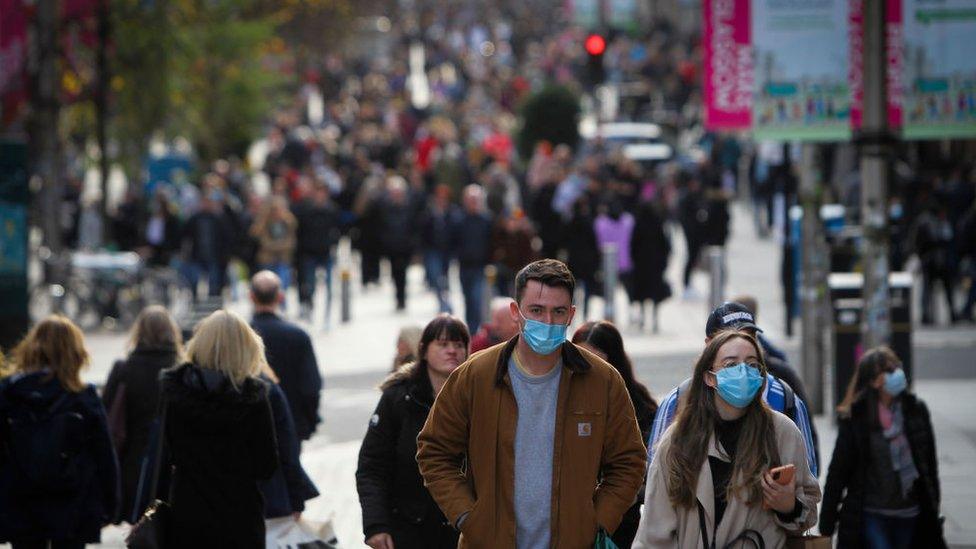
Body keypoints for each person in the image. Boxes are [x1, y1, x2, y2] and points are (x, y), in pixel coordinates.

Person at [417, 259, 647, 549]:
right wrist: (468, 516)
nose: (548, 322)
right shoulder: (475, 375)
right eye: (536, 310)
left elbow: (629, 461)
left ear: (571, 314)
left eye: (558, 311)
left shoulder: (602, 380)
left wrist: (595, 522)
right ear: (516, 312)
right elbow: (434, 451)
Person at [632, 330, 821, 548]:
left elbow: (808, 511)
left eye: (752, 365)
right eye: (731, 365)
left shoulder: (782, 432)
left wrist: (789, 506)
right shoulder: (678, 440)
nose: (743, 372)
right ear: (709, 377)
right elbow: (653, 533)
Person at [647, 302, 820, 477]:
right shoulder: (678, 400)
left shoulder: (784, 398)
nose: (740, 345)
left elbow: (807, 473)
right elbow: (656, 474)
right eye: (729, 339)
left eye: (749, 337)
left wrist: (788, 501)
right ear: (709, 345)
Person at [159, 310, 278, 547]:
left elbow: (163, 453)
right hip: (240, 516)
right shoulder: (253, 397)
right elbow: (266, 465)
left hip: (188, 512)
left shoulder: (174, 392)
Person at [0, 316, 120, 548]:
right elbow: (104, 454)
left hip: (21, 503)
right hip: (72, 505)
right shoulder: (83, 398)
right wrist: (110, 504)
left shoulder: (9, 394)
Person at [357, 315, 471, 549]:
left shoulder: (477, 394)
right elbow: (372, 466)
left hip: (463, 526)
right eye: (443, 344)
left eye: (459, 345)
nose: (452, 351)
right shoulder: (398, 398)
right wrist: (376, 525)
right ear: (424, 350)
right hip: (410, 527)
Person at [820, 347, 946, 549]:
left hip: (911, 512)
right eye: (888, 370)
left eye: (896, 367)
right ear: (873, 381)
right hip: (873, 514)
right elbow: (838, 473)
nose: (896, 373)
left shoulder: (915, 410)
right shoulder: (857, 418)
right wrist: (826, 523)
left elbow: (929, 466)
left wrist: (933, 506)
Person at [572, 321, 657, 549]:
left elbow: (642, 471)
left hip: (622, 523)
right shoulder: (563, 400)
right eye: (581, 358)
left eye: (597, 359)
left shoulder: (640, 408)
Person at [101, 306, 182, 523]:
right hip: (171, 466)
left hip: (131, 463)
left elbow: (105, 412)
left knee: (138, 529)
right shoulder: (181, 370)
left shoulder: (124, 369)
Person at [250, 270, 323, 442]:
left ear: (251, 297)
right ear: (280, 297)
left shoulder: (241, 337)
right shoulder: (298, 336)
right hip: (291, 424)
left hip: (252, 424)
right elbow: (311, 387)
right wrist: (309, 421)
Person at [293, 182, 340, 324]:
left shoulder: (332, 210)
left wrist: (333, 243)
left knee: (330, 285)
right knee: (310, 284)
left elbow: (337, 229)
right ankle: (310, 306)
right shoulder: (306, 210)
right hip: (310, 252)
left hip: (326, 252)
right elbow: (300, 231)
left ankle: (328, 313)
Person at [453, 184, 493, 334]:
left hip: (480, 267)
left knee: (477, 299)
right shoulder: (459, 220)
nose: (473, 203)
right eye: (470, 200)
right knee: (468, 299)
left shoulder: (487, 220)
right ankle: (470, 329)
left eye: (476, 200)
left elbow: (492, 243)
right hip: (464, 266)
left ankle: (476, 330)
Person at [630, 197, 672, 332]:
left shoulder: (638, 224)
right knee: (655, 294)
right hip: (655, 265)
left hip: (641, 265)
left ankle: (642, 318)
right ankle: (654, 319)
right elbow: (665, 245)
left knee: (642, 294)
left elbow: (633, 245)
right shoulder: (657, 223)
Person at [378, 176, 419, 311]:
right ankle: (398, 297)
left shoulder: (410, 207)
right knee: (395, 274)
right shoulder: (385, 207)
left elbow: (414, 227)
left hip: (405, 247)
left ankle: (402, 298)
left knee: (403, 273)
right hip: (392, 247)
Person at [251, 196, 298, 291]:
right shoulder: (264, 222)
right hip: (267, 260)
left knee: (282, 286)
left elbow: (291, 242)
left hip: (283, 259)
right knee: (267, 287)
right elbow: (261, 240)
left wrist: (276, 246)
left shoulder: (288, 222)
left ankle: (281, 304)